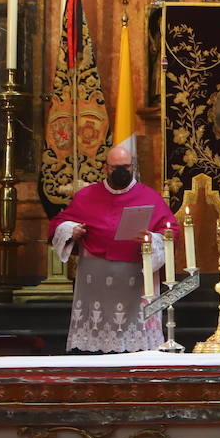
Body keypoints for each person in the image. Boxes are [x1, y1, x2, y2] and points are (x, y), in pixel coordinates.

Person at [50, 145, 177, 353]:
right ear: (105, 168)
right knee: (96, 347)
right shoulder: (86, 196)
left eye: (125, 167)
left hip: (136, 280)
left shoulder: (150, 197)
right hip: (96, 283)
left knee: (138, 348)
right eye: (115, 167)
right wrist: (71, 231)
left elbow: (172, 232)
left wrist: (151, 239)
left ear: (133, 166)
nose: (121, 171)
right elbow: (59, 223)